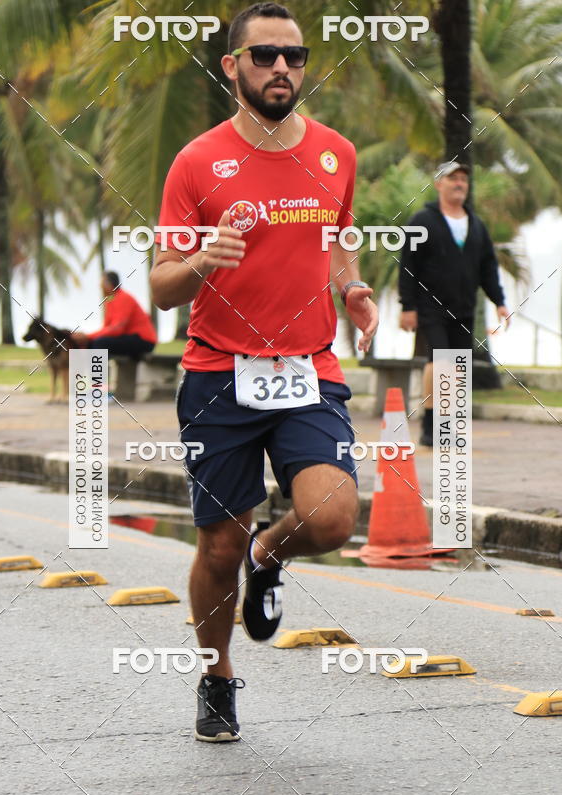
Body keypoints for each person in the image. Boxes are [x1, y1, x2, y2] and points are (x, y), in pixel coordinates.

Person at [150, 2, 378, 742]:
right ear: (232, 67)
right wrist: (197, 262)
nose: (282, 68)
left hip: (308, 367)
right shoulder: (195, 162)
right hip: (219, 373)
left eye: (295, 56)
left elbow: (339, 239)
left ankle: (269, 551)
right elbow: (159, 285)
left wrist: (353, 289)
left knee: (335, 516)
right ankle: (218, 677)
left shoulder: (336, 154)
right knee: (216, 545)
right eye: (265, 56)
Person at [398, 161, 510, 445]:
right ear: (439, 184)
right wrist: (407, 306)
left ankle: (448, 426)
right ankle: (429, 424)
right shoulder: (422, 221)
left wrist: (499, 301)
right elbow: (407, 265)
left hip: (464, 307)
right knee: (439, 362)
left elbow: (488, 267)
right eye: (453, 179)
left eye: (463, 179)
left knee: (458, 366)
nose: (459, 183)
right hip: (430, 306)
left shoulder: (476, 225)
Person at [74, 272, 157, 358]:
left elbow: (117, 329)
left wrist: (87, 336)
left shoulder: (123, 297)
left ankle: (99, 371)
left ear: (109, 284)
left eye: (101, 283)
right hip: (128, 338)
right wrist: (87, 339)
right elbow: (106, 329)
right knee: (87, 345)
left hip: (143, 340)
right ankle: (79, 371)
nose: (100, 287)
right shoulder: (110, 302)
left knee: (100, 343)